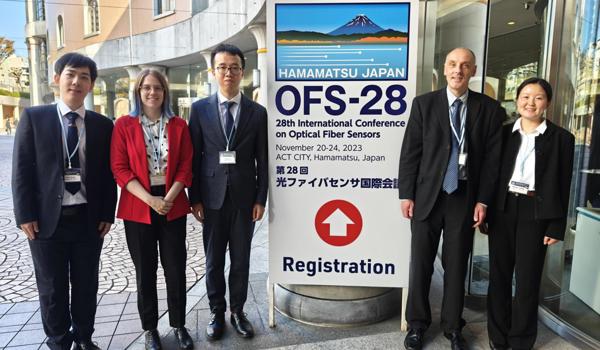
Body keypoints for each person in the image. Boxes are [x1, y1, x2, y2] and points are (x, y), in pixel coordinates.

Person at [398, 47, 505, 350]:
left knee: (457, 265)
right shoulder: (424, 105)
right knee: (420, 264)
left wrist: (483, 200)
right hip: (426, 196)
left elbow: (492, 163)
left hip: (464, 197)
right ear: (444, 69)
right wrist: (406, 194)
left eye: (465, 66)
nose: (458, 70)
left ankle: (452, 327)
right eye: (453, 65)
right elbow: (410, 154)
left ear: (473, 71)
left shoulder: (490, 110)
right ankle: (417, 325)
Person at [12, 52, 117, 350]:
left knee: (86, 285)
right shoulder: (35, 117)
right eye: (71, 74)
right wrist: (24, 214)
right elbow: (21, 169)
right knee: (52, 287)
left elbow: (108, 175)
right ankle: (58, 341)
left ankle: (84, 337)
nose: (77, 81)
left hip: (88, 219)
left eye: (85, 77)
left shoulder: (102, 124)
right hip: (46, 221)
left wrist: (107, 213)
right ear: (57, 79)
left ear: (92, 84)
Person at [487, 78, 574, 350]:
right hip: (503, 209)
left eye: (538, 98)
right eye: (525, 96)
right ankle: (498, 337)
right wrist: (485, 211)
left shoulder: (562, 138)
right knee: (499, 276)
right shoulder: (502, 134)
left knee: (527, 279)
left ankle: (522, 339)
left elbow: (563, 184)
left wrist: (556, 226)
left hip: (536, 213)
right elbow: (489, 176)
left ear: (547, 102)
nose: (530, 103)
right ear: (516, 100)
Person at [189, 43, 268, 341]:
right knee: (213, 260)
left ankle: (238, 311)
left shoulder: (257, 113)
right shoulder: (199, 110)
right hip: (211, 198)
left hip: (245, 199)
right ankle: (216, 311)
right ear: (212, 71)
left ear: (242, 71)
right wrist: (193, 197)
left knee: (241, 259)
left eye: (234, 67)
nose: (228, 73)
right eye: (222, 67)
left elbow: (263, 158)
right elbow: (194, 156)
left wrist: (261, 198)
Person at [110, 69, 194, 350]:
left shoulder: (179, 125)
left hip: (172, 202)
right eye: (146, 87)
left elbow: (185, 165)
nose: (152, 92)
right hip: (139, 205)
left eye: (157, 87)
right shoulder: (124, 125)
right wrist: (150, 199)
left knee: (175, 268)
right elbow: (119, 169)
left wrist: (168, 197)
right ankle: (150, 329)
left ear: (165, 92)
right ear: (138, 91)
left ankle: (179, 325)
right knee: (145, 271)